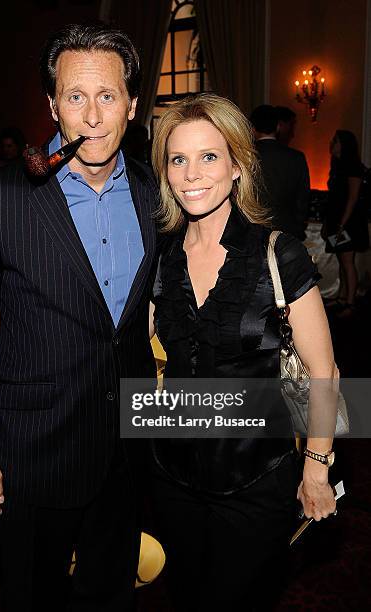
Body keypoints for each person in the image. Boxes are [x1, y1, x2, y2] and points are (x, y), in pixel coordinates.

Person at [0, 23, 159, 612]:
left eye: (107, 96)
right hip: (32, 457)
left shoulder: (151, 190)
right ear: (52, 104)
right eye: (75, 96)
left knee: (111, 593)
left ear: (131, 106)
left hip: (126, 451)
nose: (91, 116)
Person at [149, 93, 338, 610]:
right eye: (178, 159)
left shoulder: (279, 254)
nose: (192, 174)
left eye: (209, 156)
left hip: (256, 481)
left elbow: (324, 371)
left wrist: (317, 469)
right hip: (172, 479)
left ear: (236, 165)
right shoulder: (161, 261)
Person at [322, 130, 369, 317]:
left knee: (348, 261)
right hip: (338, 221)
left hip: (348, 222)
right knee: (341, 259)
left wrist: (341, 224)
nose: (332, 143)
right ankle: (342, 297)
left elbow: (353, 198)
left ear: (345, 144)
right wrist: (330, 223)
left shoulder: (353, 166)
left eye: (336, 141)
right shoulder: (338, 165)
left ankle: (350, 302)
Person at [250, 104, 310, 241]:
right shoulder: (296, 157)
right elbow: (303, 198)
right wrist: (298, 225)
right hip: (288, 231)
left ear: (252, 128)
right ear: (278, 127)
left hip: (253, 230)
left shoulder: (246, 156)